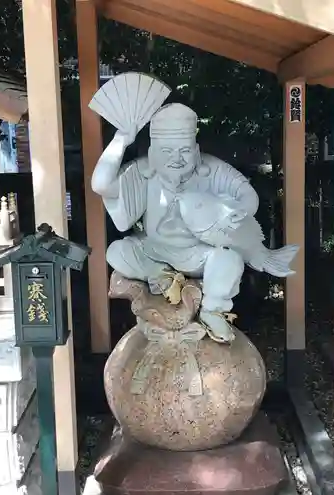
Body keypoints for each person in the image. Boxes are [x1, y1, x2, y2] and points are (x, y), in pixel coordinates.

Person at [91, 103, 288, 343]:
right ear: (153, 153)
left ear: (195, 150)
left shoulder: (211, 169)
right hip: (156, 251)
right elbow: (101, 185)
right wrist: (120, 140)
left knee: (229, 260)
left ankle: (213, 310)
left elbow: (248, 195)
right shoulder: (143, 172)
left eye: (184, 151)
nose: (176, 158)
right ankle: (161, 276)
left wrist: (235, 212)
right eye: (167, 151)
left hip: (201, 254)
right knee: (117, 252)